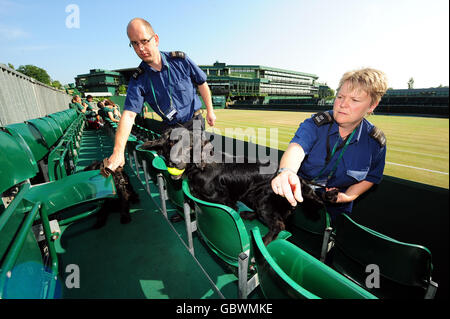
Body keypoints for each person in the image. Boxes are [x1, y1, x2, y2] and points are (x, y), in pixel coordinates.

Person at [271, 68, 388, 221]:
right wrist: (286, 171)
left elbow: (371, 177)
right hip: (298, 197)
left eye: (354, 100)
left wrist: (347, 196)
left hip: (336, 210)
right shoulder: (316, 124)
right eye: (340, 96)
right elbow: (296, 148)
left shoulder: (375, 142)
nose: (343, 104)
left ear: (372, 105)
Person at [106, 17, 216, 172]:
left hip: (194, 121)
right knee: (176, 169)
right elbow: (129, 115)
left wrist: (210, 111)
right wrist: (118, 152)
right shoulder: (138, 79)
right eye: (135, 44)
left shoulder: (181, 61)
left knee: (202, 166)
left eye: (144, 41)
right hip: (170, 129)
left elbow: (202, 83)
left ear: (155, 39)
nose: (141, 48)